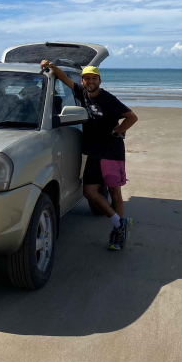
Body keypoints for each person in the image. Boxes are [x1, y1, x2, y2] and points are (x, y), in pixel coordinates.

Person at [40, 60, 138, 250]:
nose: (90, 81)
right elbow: (63, 78)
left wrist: (117, 132)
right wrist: (50, 65)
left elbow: (132, 117)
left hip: (111, 152)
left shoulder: (108, 99)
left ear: (100, 80)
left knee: (114, 192)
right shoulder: (81, 92)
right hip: (94, 152)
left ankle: (117, 234)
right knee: (89, 192)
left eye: (94, 78)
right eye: (87, 78)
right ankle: (120, 223)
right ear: (83, 81)